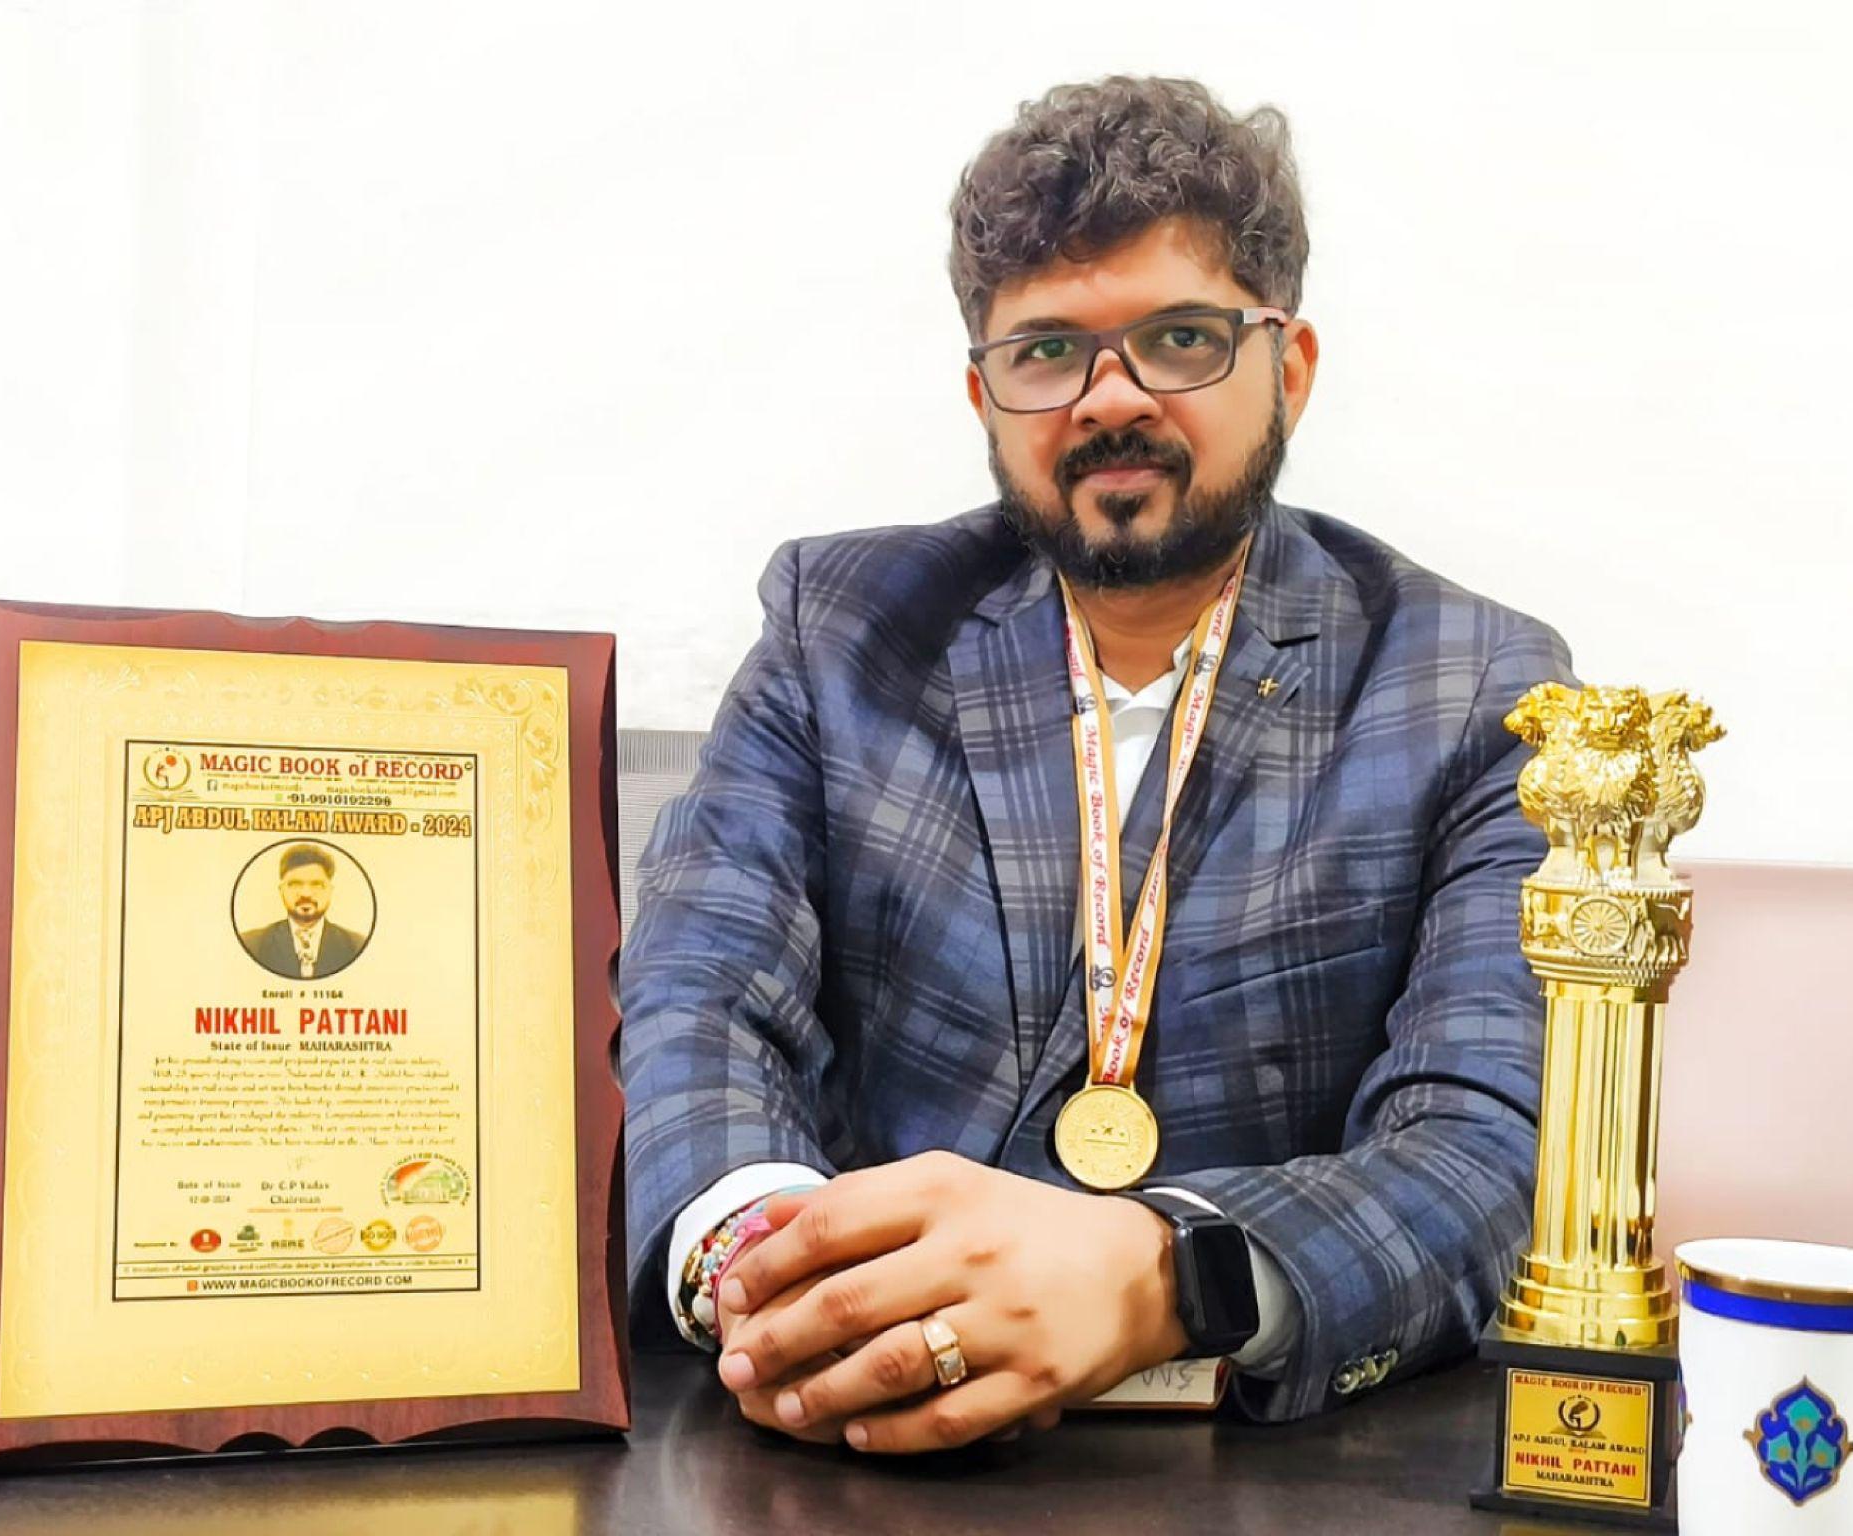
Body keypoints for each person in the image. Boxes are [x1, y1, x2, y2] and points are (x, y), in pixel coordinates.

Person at [622, 74, 1575, 1455]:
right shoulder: (840, 631)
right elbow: (701, 996)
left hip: (1258, 1468)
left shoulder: (1474, 684)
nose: (1107, 398)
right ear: (984, 392)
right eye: (1047, 351)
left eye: (1180, 338)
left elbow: (1484, 1151)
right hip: (840, 1436)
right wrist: (769, 1263)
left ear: (1290, 367)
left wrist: (1164, 1275)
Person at [239, 843, 367, 980]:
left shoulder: (357, 946)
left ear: (330, 891)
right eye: (295, 884)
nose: (306, 893)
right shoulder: (251, 944)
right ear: (281, 890)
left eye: (317, 884)